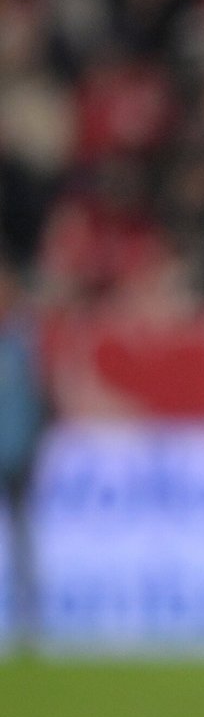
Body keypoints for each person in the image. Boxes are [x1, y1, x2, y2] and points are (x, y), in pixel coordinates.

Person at [0, 262, 49, 656]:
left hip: (17, 455)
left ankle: (28, 621)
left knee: (22, 539)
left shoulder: (24, 342)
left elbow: (38, 401)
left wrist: (35, 445)